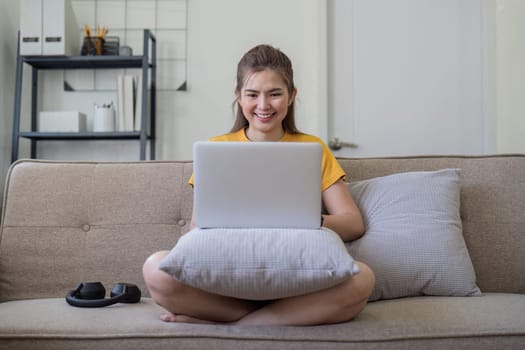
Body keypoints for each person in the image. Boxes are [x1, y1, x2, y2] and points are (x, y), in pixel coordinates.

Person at [142, 44, 375, 326]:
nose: (263, 105)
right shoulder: (216, 150)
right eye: (252, 94)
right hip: (228, 275)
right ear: (239, 97)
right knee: (155, 267)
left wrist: (307, 220)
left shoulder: (313, 149)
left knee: (363, 278)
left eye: (275, 94)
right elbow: (197, 227)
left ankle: (237, 324)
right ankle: (266, 321)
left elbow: (353, 223)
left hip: (298, 279)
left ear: (291, 96)